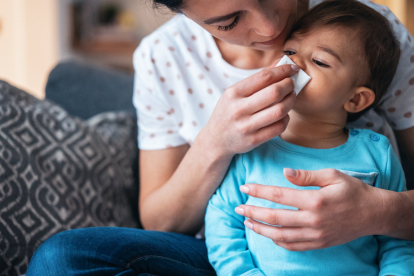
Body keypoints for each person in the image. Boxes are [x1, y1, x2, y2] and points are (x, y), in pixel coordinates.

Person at [26, 0, 414, 275]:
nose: (271, 30)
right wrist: (215, 143)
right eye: (229, 21)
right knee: (63, 257)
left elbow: (399, 246)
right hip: (231, 258)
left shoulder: (365, 33)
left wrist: (380, 212)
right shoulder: (163, 58)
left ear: (357, 98)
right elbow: (173, 222)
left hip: (364, 259)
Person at [204, 1, 414, 275]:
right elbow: (222, 219)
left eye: (319, 61)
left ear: (355, 99)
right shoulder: (253, 146)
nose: (294, 64)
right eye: (290, 51)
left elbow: (398, 242)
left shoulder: (377, 155)